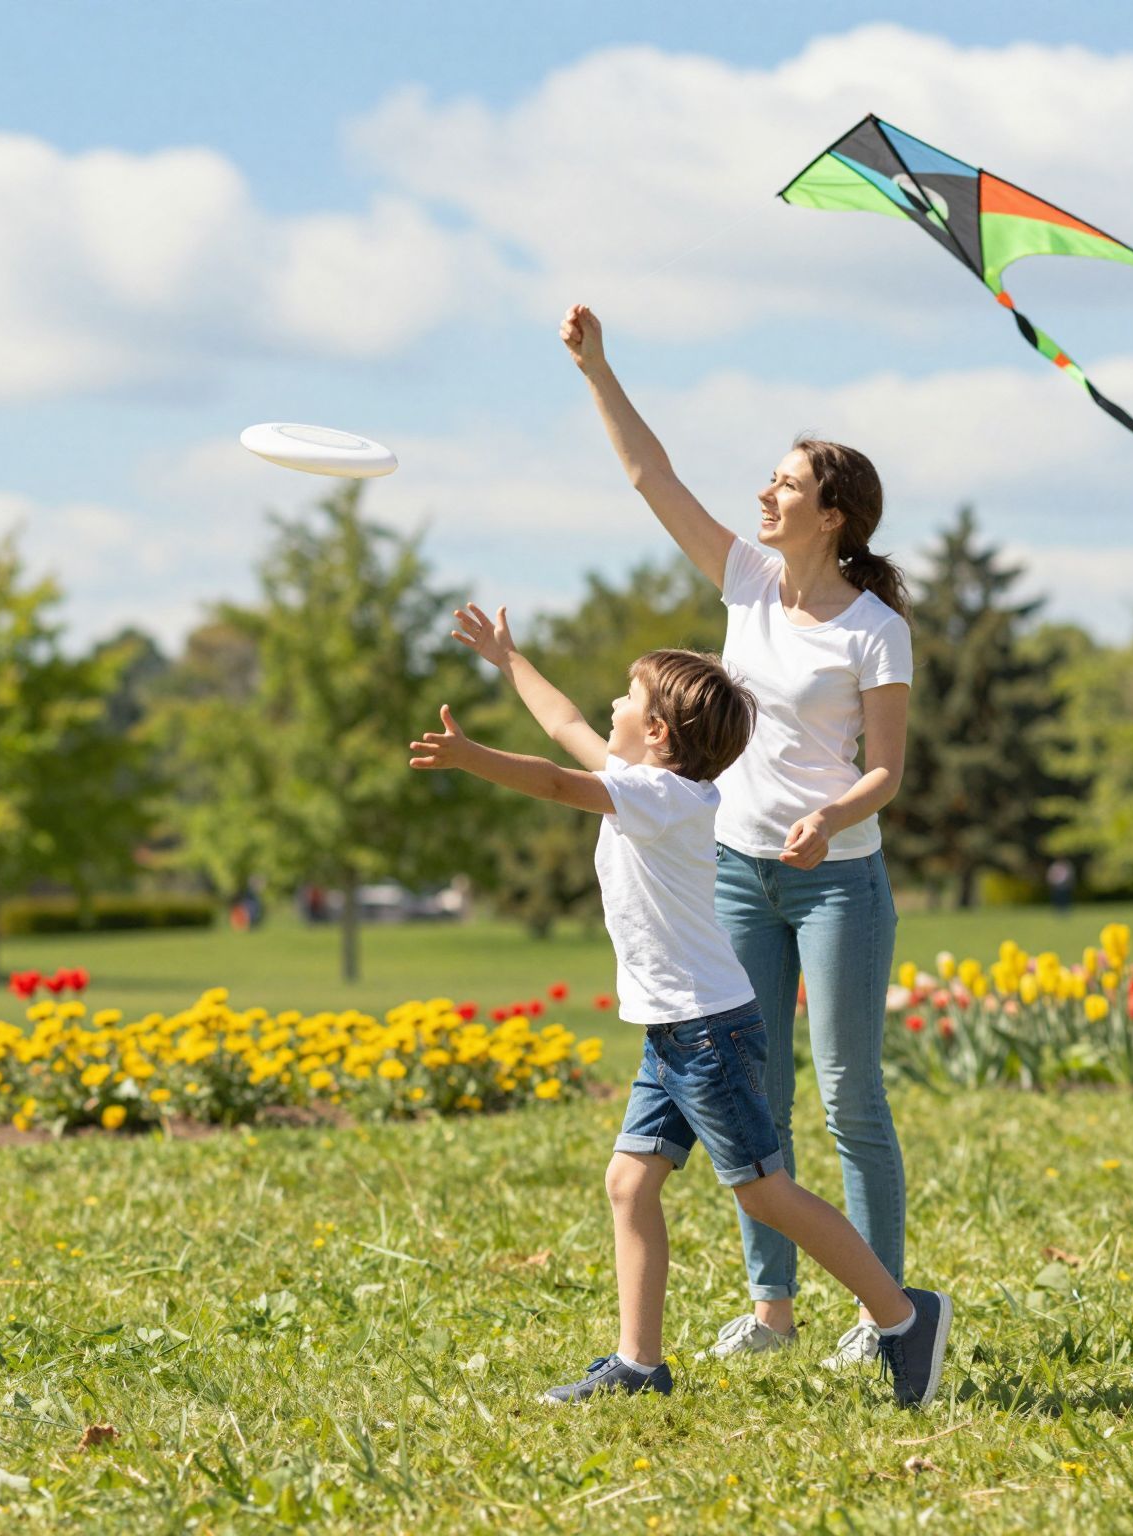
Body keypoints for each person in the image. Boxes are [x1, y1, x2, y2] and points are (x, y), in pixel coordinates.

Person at [409, 602, 952, 1407]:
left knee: (765, 1191)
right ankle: (638, 1363)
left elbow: (557, 779)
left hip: (707, 1034)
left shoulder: (662, 800)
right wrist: (507, 660)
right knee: (630, 1184)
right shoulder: (644, 784)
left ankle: (905, 1317)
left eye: (627, 701)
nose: (612, 710)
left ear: (659, 734)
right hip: (676, 1031)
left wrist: (468, 756)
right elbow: (562, 728)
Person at [562, 303, 914, 1370]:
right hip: (731, 876)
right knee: (752, 1110)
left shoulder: (873, 629)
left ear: (834, 517)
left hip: (834, 884)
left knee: (849, 1093)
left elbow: (887, 772)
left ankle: (882, 1313)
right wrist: (597, 369)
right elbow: (649, 479)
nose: (765, 494)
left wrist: (830, 816)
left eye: (786, 485)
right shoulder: (745, 583)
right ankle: (772, 1310)